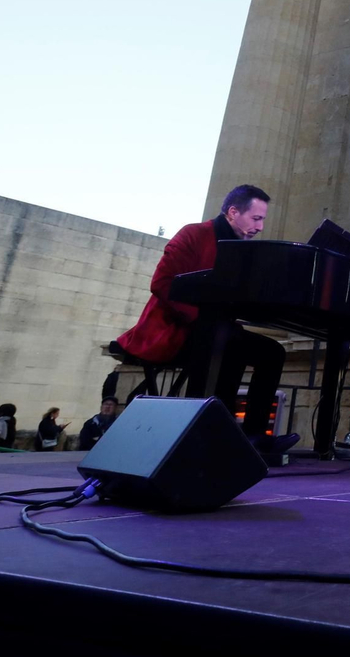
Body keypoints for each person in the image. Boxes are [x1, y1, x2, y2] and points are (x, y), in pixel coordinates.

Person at [114, 184, 296, 454]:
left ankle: (254, 437)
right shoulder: (193, 234)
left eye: (262, 220)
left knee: (272, 351)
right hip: (173, 328)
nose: (260, 227)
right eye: (256, 218)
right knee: (221, 344)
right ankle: (207, 437)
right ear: (233, 212)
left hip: (217, 330)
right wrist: (201, 319)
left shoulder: (243, 249)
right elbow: (162, 283)